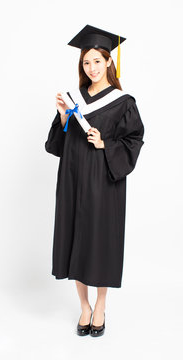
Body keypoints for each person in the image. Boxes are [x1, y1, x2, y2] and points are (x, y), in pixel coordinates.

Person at [44, 24, 145, 337]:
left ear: (109, 62)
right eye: (86, 62)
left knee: (100, 243)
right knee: (75, 238)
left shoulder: (122, 101)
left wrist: (105, 144)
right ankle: (84, 306)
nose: (92, 68)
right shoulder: (75, 98)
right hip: (73, 180)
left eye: (97, 61)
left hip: (103, 183)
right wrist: (63, 116)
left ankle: (100, 305)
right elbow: (57, 145)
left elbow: (134, 140)